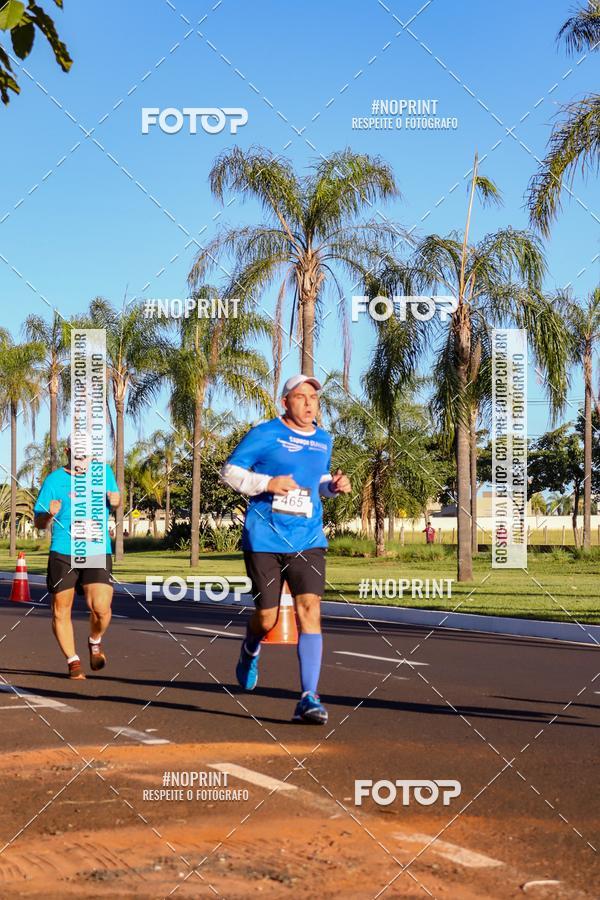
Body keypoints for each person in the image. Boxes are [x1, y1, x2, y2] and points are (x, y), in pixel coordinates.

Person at [220, 374, 351, 725]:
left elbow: (317, 481)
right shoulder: (264, 434)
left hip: (308, 538)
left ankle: (309, 697)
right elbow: (229, 472)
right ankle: (250, 648)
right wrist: (268, 483)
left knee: (310, 609)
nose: (310, 403)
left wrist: (334, 486)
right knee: (267, 617)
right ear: (285, 402)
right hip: (264, 538)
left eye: (314, 398)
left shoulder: (323, 440)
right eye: (301, 397)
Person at [33, 441, 120, 680]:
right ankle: (73, 661)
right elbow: (38, 523)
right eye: (78, 453)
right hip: (63, 550)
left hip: (95, 548)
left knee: (101, 608)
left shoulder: (104, 473)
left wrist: (115, 501)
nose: (83, 458)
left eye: (87, 454)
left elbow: (115, 500)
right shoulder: (54, 481)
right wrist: (48, 514)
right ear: (68, 452)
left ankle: (95, 641)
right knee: (61, 610)